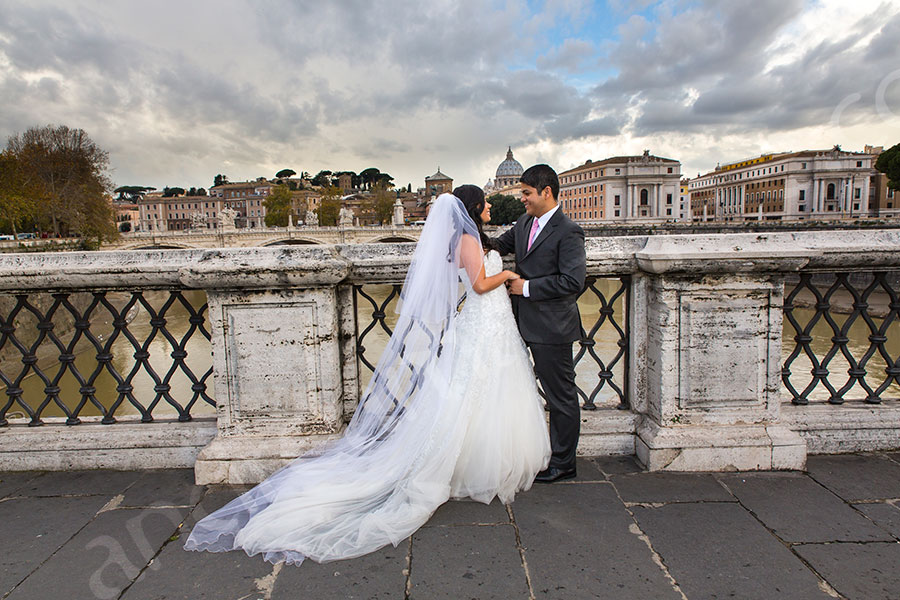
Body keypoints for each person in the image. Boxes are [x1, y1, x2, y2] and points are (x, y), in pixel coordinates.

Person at [184, 187, 550, 566]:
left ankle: (478, 458)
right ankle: (476, 463)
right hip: (485, 319)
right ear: (474, 208)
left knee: (480, 391)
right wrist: (506, 272)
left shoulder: (469, 237)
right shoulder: (470, 239)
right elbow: (478, 285)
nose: (492, 205)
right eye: (486, 203)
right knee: (478, 389)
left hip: (489, 323)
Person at [494, 164, 586, 483]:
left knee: (559, 395)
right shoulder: (523, 223)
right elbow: (496, 246)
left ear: (546, 192)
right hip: (520, 323)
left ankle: (564, 463)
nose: (522, 199)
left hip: (552, 327)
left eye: (527, 193)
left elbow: (573, 281)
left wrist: (527, 288)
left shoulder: (568, 230)